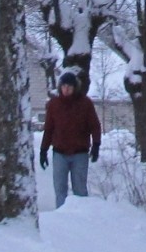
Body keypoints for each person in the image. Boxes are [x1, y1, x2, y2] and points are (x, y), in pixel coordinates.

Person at [39, 68, 101, 206]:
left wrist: (96, 145)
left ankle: (81, 219)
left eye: (70, 87)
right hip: (59, 153)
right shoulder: (54, 104)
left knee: (80, 190)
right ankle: (62, 219)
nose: (66, 89)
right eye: (64, 86)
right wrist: (43, 150)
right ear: (60, 87)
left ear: (75, 87)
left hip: (80, 153)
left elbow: (95, 126)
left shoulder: (85, 103)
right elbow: (48, 129)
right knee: (60, 189)